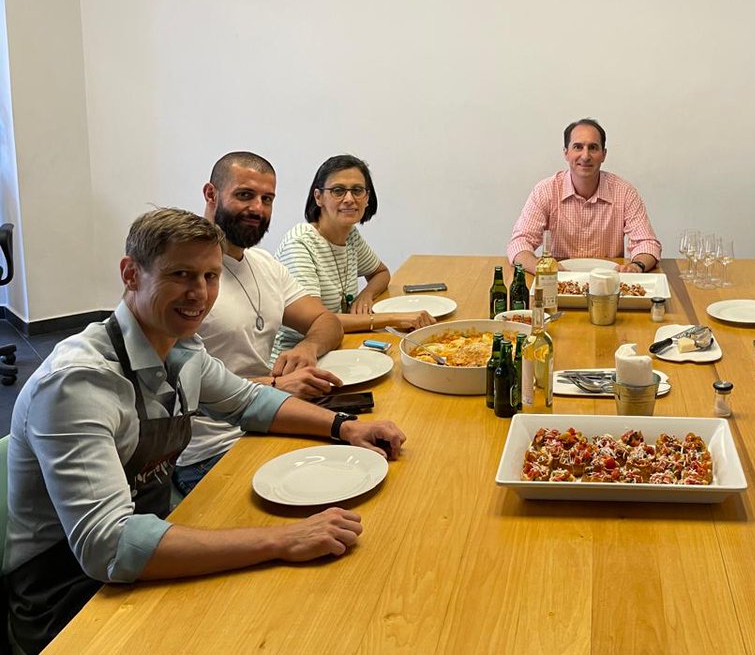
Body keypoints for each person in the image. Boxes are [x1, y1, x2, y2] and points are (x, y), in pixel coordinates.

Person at [3, 208, 406, 654]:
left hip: (145, 553)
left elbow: (250, 402)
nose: (200, 294)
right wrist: (281, 540)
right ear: (130, 274)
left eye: (211, 277)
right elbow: (110, 546)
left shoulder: (180, 347)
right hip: (68, 601)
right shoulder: (77, 383)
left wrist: (345, 428)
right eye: (181, 274)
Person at [173, 151, 345, 495]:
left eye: (267, 199)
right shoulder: (182, 278)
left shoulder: (265, 265)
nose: (258, 208)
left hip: (266, 419)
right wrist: (274, 384)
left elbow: (327, 321)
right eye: (244, 195)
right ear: (211, 194)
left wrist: (308, 346)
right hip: (208, 452)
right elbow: (173, 390)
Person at [273, 154, 434, 364]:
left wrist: (366, 295)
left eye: (357, 190)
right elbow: (317, 322)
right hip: (297, 359)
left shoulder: (350, 235)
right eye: (338, 190)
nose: (349, 199)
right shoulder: (300, 243)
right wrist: (396, 317)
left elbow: (380, 273)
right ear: (318, 197)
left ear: (367, 198)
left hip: (337, 346)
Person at [507, 118, 661, 275]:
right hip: (559, 282)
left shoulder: (625, 192)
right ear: (566, 153)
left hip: (608, 285)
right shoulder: (546, 191)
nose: (585, 156)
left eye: (593, 148)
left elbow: (647, 243)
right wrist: (542, 269)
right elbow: (520, 243)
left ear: (604, 154)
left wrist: (636, 266)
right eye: (578, 147)